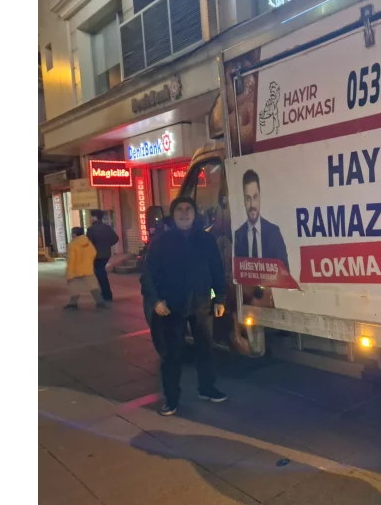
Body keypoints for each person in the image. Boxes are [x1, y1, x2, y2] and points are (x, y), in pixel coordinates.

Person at [141, 196, 229, 416]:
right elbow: (148, 275)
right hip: (171, 305)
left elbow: (217, 270)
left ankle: (207, 388)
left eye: (188, 209)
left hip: (201, 303)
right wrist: (155, 300)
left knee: (205, 350)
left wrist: (220, 298)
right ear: (173, 214)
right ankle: (171, 399)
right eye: (179, 209)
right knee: (172, 354)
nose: (184, 213)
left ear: (194, 213)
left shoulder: (206, 240)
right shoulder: (161, 241)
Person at [234, 169, 289, 271]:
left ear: (260, 198)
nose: (252, 205)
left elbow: (285, 273)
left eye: (255, 197)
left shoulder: (274, 233)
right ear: (244, 200)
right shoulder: (239, 235)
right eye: (248, 198)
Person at [63, 227, 107, 310]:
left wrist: (69, 273)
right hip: (88, 269)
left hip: (76, 270)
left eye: (72, 233)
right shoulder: (88, 243)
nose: (71, 235)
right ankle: (100, 303)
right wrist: (87, 262)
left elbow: (71, 260)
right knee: (93, 287)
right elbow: (94, 253)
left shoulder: (72, 245)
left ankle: (73, 303)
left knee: (75, 287)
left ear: (74, 234)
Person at [86, 209, 120, 302]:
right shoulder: (107, 227)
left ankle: (106, 294)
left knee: (100, 273)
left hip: (96, 255)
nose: (90, 218)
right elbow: (115, 238)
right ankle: (106, 294)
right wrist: (107, 245)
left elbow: (88, 243)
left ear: (95, 217)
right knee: (101, 272)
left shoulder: (91, 229)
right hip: (106, 253)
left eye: (91, 216)